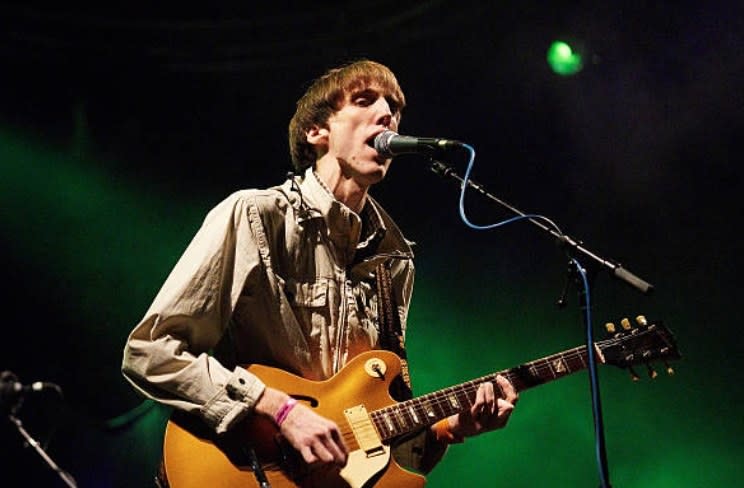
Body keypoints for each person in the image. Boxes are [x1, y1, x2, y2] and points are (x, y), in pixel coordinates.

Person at [121, 59, 518, 486]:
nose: (387, 114)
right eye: (366, 100)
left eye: (394, 107)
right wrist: (281, 410)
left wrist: (450, 428)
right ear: (316, 132)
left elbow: (367, 427)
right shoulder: (256, 216)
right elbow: (151, 352)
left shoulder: (395, 259)